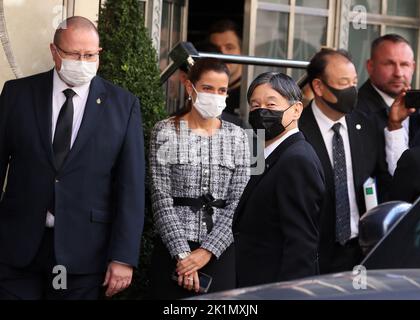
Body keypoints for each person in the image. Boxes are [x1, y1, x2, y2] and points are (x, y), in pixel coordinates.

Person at [0, 17, 145, 300]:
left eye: (90, 55)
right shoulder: (18, 95)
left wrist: (124, 257)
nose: (83, 61)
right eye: (73, 54)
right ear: (54, 51)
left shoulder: (123, 105)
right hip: (17, 248)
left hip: (82, 253)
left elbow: (130, 187)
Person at [149, 58, 250, 299]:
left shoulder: (240, 135)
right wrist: (184, 256)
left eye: (222, 90)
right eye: (207, 88)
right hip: (173, 251)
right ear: (189, 87)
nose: (215, 96)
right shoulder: (164, 131)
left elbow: (240, 202)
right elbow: (160, 199)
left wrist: (206, 252)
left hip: (220, 252)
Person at [299, 48, 391, 274]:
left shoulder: (366, 125)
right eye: (343, 83)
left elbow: (381, 177)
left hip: (360, 251)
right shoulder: (297, 130)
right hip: (313, 253)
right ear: (319, 87)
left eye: (354, 82)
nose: (351, 90)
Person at [233, 72, 325, 288]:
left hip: (274, 285)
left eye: (271, 104)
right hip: (253, 280)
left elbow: (302, 243)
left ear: (296, 110)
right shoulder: (264, 151)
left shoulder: (297, 159)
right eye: (255, 105)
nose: (261, 111)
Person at [357, 34, 420, 175]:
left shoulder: (418, 107)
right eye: (389, 64)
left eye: (404, 64)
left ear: (413, 67)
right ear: (370, 66)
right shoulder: (353, 111)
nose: (398, 73)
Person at [208, 19, 243, 117]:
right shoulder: (203, 91)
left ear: (242, 51)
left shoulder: (251, 92)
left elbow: (259, 132)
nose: (222, 54)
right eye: (216, 49)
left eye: (229, 47)